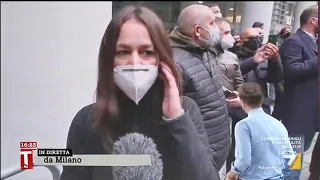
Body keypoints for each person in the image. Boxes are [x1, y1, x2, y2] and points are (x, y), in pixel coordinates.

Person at [60, 6, 220, 180]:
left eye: (147, 52)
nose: (135, 62)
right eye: (123, 52)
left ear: (161, 58)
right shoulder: (88, 119)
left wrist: (176, 119)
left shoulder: (186, 110)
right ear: (109, 59)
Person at [168, 4, 230, 170]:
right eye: (212, 23)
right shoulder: (175, 64)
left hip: (217, 148)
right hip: (201, 157)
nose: (217, 28)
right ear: (197, 30)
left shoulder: (206, 50)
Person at [279, 5, 318, 179]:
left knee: (302, 153)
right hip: (297, 116)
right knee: (293, 162)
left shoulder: (313, 41)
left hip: (311, 116)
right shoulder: (294, 41)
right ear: (314, 20)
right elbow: (292, 70)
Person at [225, 82, 292, 180]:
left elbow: (243, 161)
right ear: (261, 99)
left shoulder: (243, 126)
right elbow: (291, 157)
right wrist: (283, 174)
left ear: (242, 102)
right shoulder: (278, 124)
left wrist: (230, 175)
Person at [213, 17, 244, 173]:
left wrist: (239, 95)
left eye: (229, 32)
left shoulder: (231, 56)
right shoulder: (202, 55)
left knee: (229, 149)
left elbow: (239, 80)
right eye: (225, 33)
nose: (229, 36)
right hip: (207, 114)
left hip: (228, 113)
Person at [230, 27, 283, 119]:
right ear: (242, 41)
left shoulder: (265, 58)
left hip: (262, 107)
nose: (256, 40)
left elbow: (275, 78)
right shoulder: (234, 58)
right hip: (241, 109)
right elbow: (234, 74)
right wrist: (253, 61)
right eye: (252, 38)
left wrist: (274, 60)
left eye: (258, 37)